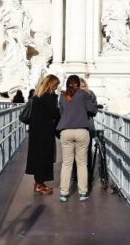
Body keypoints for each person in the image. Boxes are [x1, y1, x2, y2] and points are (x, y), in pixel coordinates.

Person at [57, 74, 98, 202]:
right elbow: (92, 110)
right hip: (81, 130)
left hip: (66, 131)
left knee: (67, 163)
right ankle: (83, 192)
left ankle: (64, 193)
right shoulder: (84, 94)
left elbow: (62, 113)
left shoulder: (62, 96)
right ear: (78, 84)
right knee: (82, 163)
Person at [25, 74, 60, 195]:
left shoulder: (37, 96)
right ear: (51, 84)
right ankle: (39, 184)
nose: (56, 88)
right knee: (44, 156)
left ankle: (39, 183)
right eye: (55, 86)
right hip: (44, 131)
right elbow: (55, 113)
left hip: (36, 131)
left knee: (38, 155)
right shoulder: (48, 97)